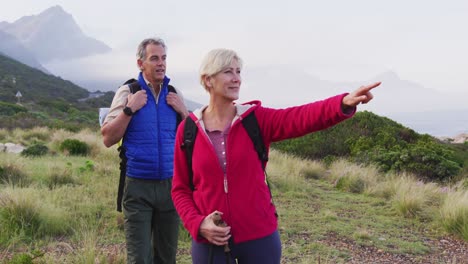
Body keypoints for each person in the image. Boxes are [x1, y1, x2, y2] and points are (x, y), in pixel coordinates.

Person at [171, 48, 381, 263]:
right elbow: (180, 189)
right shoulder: (188, 131)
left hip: (259, 237)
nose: (237, 79)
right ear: (208, 80)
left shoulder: (256, 120)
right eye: (228, 72)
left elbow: (301, 118)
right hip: (211, 242)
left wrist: (342, 103)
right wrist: (198, 224)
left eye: (238, 71)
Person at [101, 37, 189, 264]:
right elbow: (108, 138)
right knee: (140, 258)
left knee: (167, 258)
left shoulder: (174, 93)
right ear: (141, 63)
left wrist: (184, 114)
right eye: (154, 58)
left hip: (172, 187)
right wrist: (130, 109)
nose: (161, 63)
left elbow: (193, 140)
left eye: (164, 58)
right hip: (137, 187)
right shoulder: (128, 91)